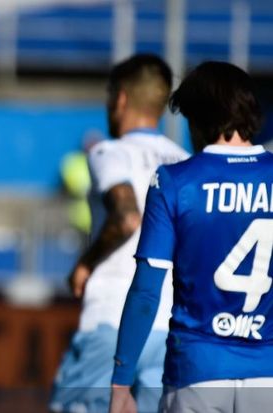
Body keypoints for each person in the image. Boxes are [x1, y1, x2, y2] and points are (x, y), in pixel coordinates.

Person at [110, 62, 273, 413]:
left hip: (197, 370)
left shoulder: (174, 182)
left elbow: (147, 290)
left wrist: (122, 380)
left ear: (198, 118)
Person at [50, 54, 188, 413]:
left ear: (122, 98)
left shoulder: (109, 151)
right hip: (169, 328)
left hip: (112, 319)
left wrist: (85, 263)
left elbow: (127, 217)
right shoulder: (184, 162)